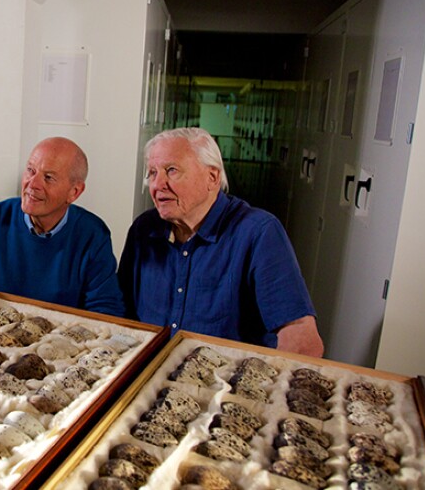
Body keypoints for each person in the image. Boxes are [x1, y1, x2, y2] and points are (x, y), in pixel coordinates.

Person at [117, 127, 324, 357]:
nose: (157, 185)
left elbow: (302, 338)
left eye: (171, 170)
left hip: (222, 382)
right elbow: (120, 311)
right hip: (147, 374)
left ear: (212, 177)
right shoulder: (144, 229)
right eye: (153, 173)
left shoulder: (258, 233)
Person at [0, 137, 125, 317]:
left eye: (48, 178)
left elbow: (106, 310)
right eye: (30, 170)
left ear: (74, 192)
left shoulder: (93, 235)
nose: (32, 184)